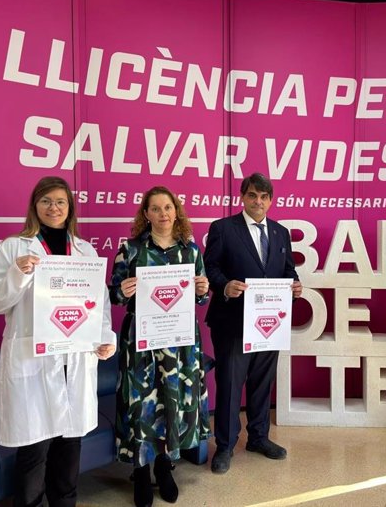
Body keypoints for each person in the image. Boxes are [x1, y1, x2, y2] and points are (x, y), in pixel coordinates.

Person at [0, 176, 116, 507]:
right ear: (34, 206)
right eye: (46, 201)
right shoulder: (13, 248)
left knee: (69, 453)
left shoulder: (85, 250)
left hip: (76, 361)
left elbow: (100, 305)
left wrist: (104, 338)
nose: (54, 208)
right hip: (34, 363)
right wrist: (18, 274)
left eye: (61, 202)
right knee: (34, 454)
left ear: (70, 209)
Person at [109, 186, 211, 507]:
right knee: (141, 404)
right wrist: (123, 291)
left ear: (176, 211)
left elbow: (201, 297)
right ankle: (140, 471)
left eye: (169, 207)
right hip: (141, 340)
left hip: (180, 341)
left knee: (174, 401)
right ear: (146, 214)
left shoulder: (191, 251)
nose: (164, 213)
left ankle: (165, 466)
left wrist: (204, 288)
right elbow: (113, 296)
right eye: (156, 208)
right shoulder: (131, 250)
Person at [203, 172, 302, 474]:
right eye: (252, 195)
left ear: (271, 201)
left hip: (269, 324)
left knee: (262, 383)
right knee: (231, 385)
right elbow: (210, 266)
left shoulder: (280, 232)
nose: (258, 202)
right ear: (242, 197)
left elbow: (288, 270)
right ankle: (225, 446)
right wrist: (223, 286)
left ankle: (258, 438)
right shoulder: (223, 228)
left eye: (264, 197)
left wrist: (295, 285)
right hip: (233, 320)